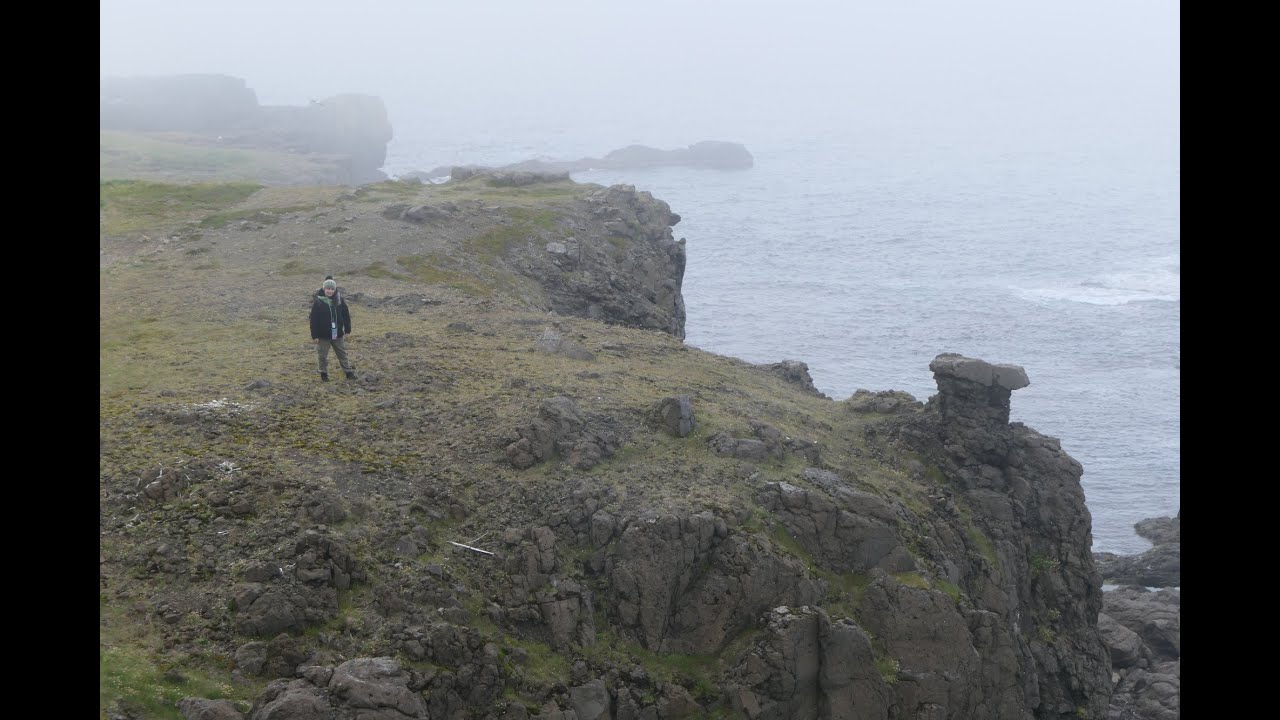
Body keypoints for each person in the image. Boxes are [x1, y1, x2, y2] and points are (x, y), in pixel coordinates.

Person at [309, 276, 355, 381]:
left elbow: (346, 315)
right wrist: (314, 336)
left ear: (335, 290)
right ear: (324, 289)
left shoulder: (339, 300)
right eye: (328, 289)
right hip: (323, 335)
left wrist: (347, 330)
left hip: (337, 334)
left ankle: (348, 372)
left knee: (342, 353)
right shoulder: (318, 302)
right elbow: (314, 320)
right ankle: (323, 374)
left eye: (332, 289)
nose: (330, 291)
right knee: (322, 356)